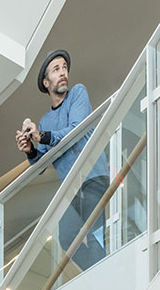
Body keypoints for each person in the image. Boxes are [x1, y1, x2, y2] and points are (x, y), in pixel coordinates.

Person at [16, 48, 110, 270]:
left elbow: (76, 130)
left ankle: (107, 267)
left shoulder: (78, 93)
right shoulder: (46, 120)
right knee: (66, 235)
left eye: (64, 68)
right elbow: (40, 165)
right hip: (72, 188)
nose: (63, 73)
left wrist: (44, 136)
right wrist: (30, 149)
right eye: (56, 70)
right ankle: (101, 269)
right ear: (46, 82)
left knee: (95, 229)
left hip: (93, 178)